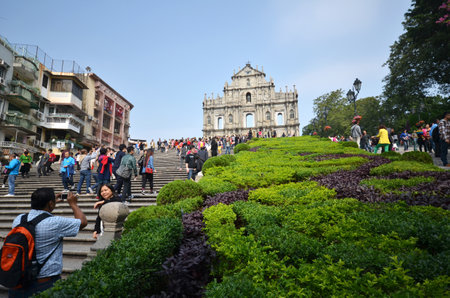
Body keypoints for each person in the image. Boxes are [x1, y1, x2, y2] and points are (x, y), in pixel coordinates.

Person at [8, 188, 87, 296]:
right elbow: (82, 222)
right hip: (45, 283)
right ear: (50, 204)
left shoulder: (19, 219)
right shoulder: (55, 223)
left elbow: (39, 214)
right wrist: (73, 204)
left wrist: (50, 204)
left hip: (18, 280)